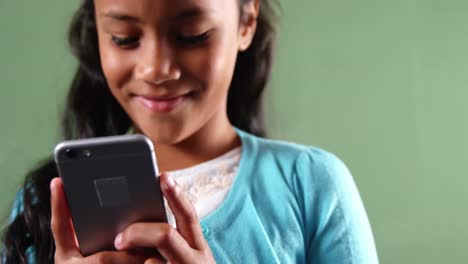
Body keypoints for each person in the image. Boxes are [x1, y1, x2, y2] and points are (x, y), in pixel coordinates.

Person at [1, 0, 379, 263]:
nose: (156, 69)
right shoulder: (45, 204)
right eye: (124, 39)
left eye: (192, 34)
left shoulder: (309, 184)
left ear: (246, 21)